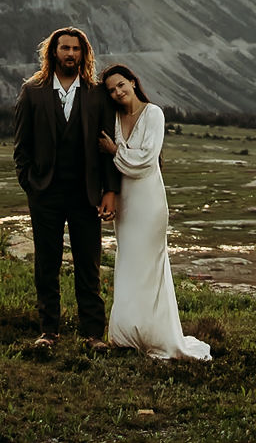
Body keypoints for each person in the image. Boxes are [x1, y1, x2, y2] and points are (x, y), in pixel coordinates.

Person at [12, 26, 119, 348]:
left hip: (86, 193)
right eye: (64, 48)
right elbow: (21, 146)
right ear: (53, 52)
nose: (70, 54)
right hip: (45, 193)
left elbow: (108, 147)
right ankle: (49, 331)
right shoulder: (33, 91)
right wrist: (30, 184)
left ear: (83, 54)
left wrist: (109, 190)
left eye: (76, 49)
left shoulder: (97, 93)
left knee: (89, 263)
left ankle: (92, 334)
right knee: (47, 263)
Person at [97, 63, 212, 361]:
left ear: (133, 82)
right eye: (111, 89)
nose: (118, 92)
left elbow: (147, 160)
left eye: (121, 84)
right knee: (128, 264)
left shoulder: (154, 114)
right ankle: (125, 333)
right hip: (126, 203)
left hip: (148, 201)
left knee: (151, 266)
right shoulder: (114, 118)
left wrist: (115, 152)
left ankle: (157, 334)